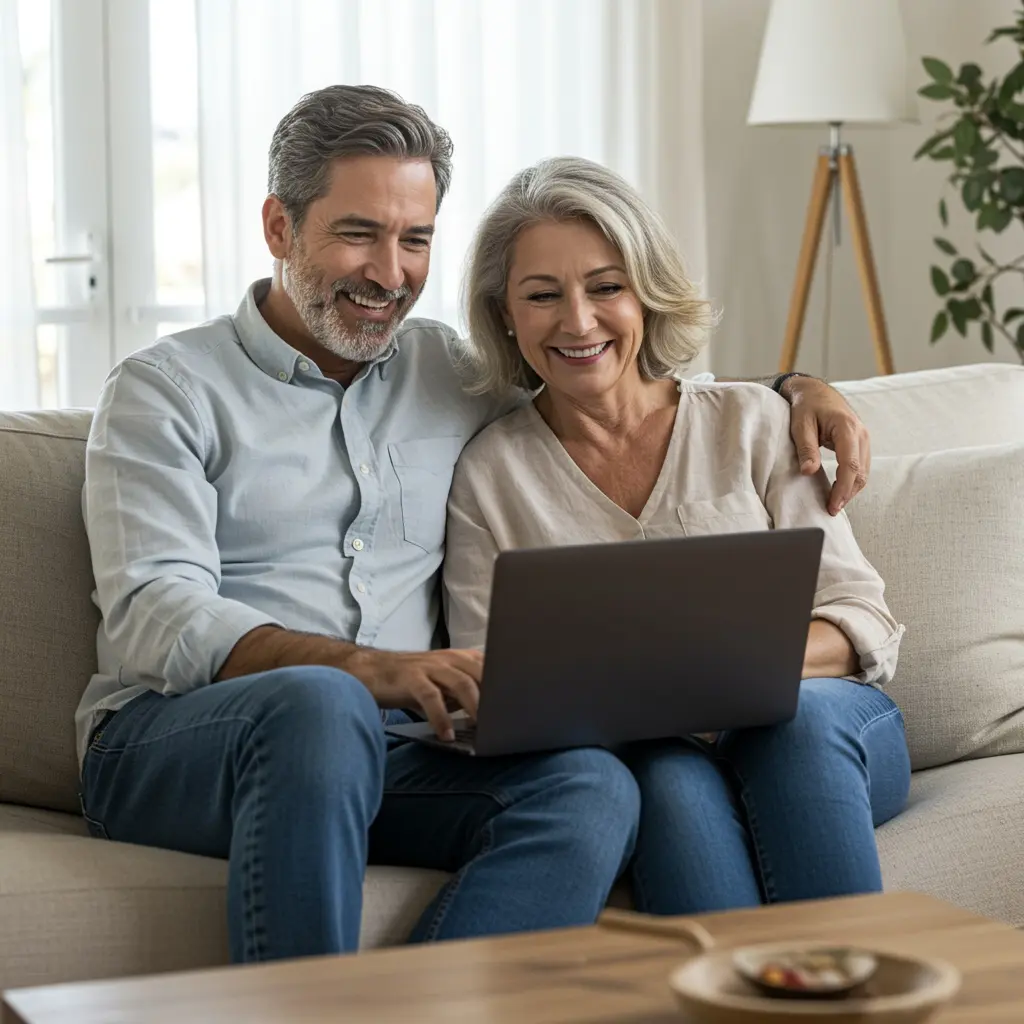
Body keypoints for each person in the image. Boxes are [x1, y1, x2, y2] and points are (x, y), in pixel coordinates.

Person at [77, 84, 878, 963]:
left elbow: (605, 371)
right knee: (321, 703)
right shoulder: (166, 389)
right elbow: (153, 609)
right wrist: (364, 669)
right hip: (188, 741)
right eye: (358, 233)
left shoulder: (447, 375)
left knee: (591, 786)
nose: (390, 273)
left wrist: (798, 387)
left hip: (397, 750)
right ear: (279, 228)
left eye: (414, 238)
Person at [444, 156, 911, 915]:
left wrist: (727, 677)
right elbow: (488, 679)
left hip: (818, 719)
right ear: (504, 313)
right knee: (666, 783)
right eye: (542, 295)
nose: (578, 321)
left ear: (645, 294)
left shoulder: (755, 422)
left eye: (606, 287)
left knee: (792, 729)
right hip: (653, 756)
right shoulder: (490, 477)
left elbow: (861, 615)